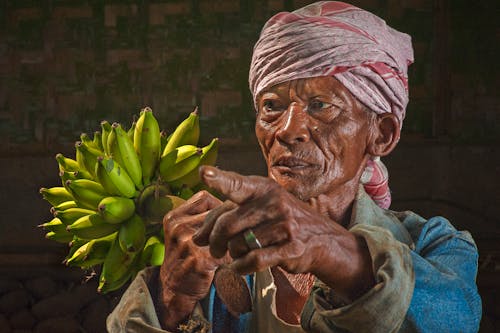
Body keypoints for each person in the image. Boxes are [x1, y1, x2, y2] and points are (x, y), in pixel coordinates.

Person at [107, 2, 482, 332]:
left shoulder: (435, 245)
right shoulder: (213, 258)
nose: (287, 130)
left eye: (320, 105)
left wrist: (325, 246)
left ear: (381, 134)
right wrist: (173, 299)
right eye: (271, 106)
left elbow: (455, 320)